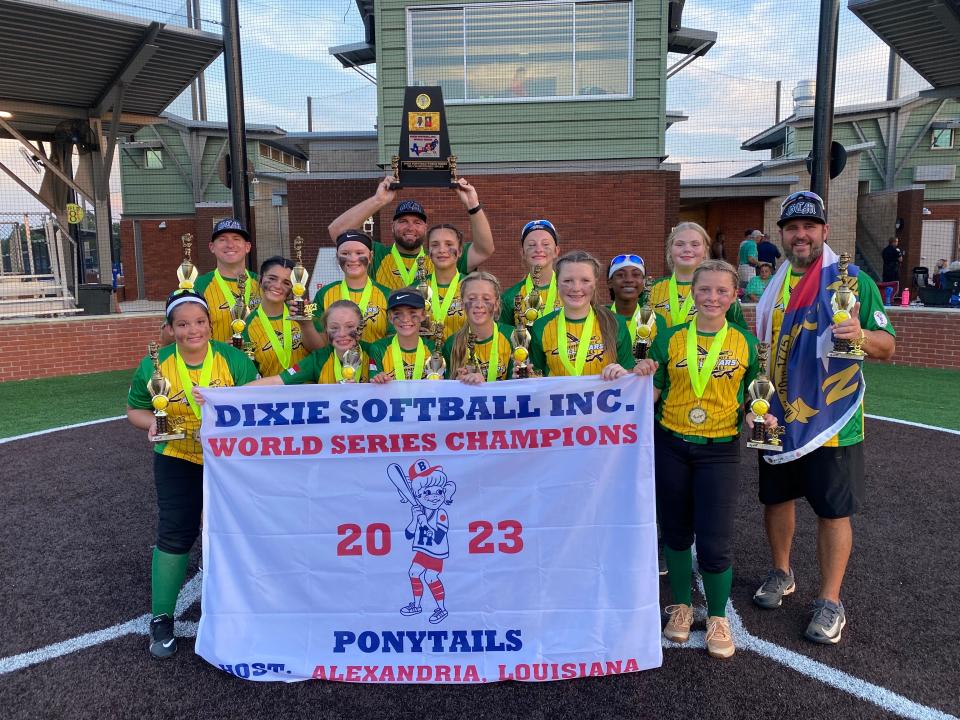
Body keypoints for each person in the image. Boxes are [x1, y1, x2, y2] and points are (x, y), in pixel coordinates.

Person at [752, 191, 895, 645]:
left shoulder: (851, 281)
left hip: (833, 417)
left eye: (810, 227)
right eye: (792, 228)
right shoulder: (772, 286)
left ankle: (830, 599)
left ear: (824, 232)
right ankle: (782, 573)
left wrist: (862, 334)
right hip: (778, 414)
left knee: (834, 511)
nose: (801, 235)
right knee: (777, 499)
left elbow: (888, 347)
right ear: (782, 234)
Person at [634, 259, 765, 660]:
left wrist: (760, 414)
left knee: (714, 537)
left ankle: (719, 616)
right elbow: (652, 392)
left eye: (721, 291)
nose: (712, 297)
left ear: (733, 296)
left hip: (720, 451)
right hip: (672, 443)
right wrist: (634, 377)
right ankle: (681, 606)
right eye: (704, 290)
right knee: (675, 531)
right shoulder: (668, 339)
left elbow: (753, 394)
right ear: (693, 293)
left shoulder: (743, 341)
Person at [126, 289, 257, 659]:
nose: (192, 330)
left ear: (210, 325)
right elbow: (133, 410)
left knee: (237, 530)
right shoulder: (156, 364)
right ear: (169, 329)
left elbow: (255, 406)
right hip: (177, 455)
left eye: (199, 322)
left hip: (230, 459)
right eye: (182, 324)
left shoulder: (233, 359)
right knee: (175, 531)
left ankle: (243, 609)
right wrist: (152, 422)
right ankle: (162, 617)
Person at [325, 177, 494, 291]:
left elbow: (484, 249)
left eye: (417, 222)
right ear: (392, 226)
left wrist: (473, 204)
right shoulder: (376, 255)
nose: (410, 227)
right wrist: (379, 200)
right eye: (403, 221)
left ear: (425, 228)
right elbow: (338, 232)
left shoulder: (440, 255)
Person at [529, 250, 634, 379]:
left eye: (585, 280)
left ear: (595, 283)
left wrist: (622, 373)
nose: (576, 288)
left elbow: (629, 380)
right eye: (567, 280)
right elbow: (536, 380)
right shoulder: (541, 327)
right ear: (556, 283)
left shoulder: (615, 323)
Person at [646, 222, 747, 341]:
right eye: (680, 244)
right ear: (670, 250)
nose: (687, 249)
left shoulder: (721, 291)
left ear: (705, 250)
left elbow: (740, 336)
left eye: (695, 244)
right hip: (657, 357)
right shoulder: (651, 289)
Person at [250, 300, 370, 385]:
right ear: (325, 329)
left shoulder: (374, 352)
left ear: (361, 327)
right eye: (334, 328)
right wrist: (235, 395)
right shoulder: (318, 359)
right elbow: (277, 381)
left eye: (350, 326)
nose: (342, 333)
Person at [312, 230, 392, 345]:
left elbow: (392, 342)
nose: (353, 259)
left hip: (375, 362)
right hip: (337, 362)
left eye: (359, 253)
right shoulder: (324, 294)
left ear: (370, 256)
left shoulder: (387, 294)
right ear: (337, 257)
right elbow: (318, 344)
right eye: (345, 253)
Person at [190, 218, 260, 344]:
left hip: (262, 362)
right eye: (222, 239)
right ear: (212, 247)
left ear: (247, 247)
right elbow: (174, 332)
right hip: (219, 361)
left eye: (236, 239)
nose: (230, 244)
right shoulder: (199, 285)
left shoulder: (262, 283)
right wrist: (220, 348)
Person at [241, 256, 311, 377]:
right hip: (271, 394)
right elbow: (251, 371)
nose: (278, 286)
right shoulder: (248, 325)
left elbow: (321, 353)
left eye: (286, 282)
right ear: (261, 279)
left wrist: (307, 325)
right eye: (272, 278)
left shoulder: (301, 315)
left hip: (308, 392)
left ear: (293, 288)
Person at [444, 271, 515, 383]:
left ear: (496, 304)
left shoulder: (513, 336)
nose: (479, 305)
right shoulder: (451, 344)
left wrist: (483, 386)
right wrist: (458, 384)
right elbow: (444, 393)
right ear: (462, 304)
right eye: (472, 298)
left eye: (486, 299)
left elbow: (518, 389)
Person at [499, 219, 564, 326]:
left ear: (556, 251)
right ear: (523, 253)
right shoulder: (509, 298)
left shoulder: (572, 291)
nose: (538, 249)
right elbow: (505, 339)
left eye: (545, 244)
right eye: (531, 245)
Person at [369, 289, 436, 382]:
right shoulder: (378, 349)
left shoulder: (433, 348)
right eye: (398, 313)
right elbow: (373, 389)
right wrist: (378, 379)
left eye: (412, 312)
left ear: (423, 315)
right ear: (390, 317)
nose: (405, 319)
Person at [424, 224, 469, 339]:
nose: (442, 250)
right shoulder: (416, 289)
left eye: (449, 244)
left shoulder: (473, 287)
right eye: (435, 245)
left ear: (459, 251)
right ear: (428, 251)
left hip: (463, 355)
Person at [607, 253, 648, 345]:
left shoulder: (656, 320)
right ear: (610, 282)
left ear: (643, 282)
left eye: (636, 274)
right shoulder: (599, 317)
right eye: (620, 275)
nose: (629, 280)